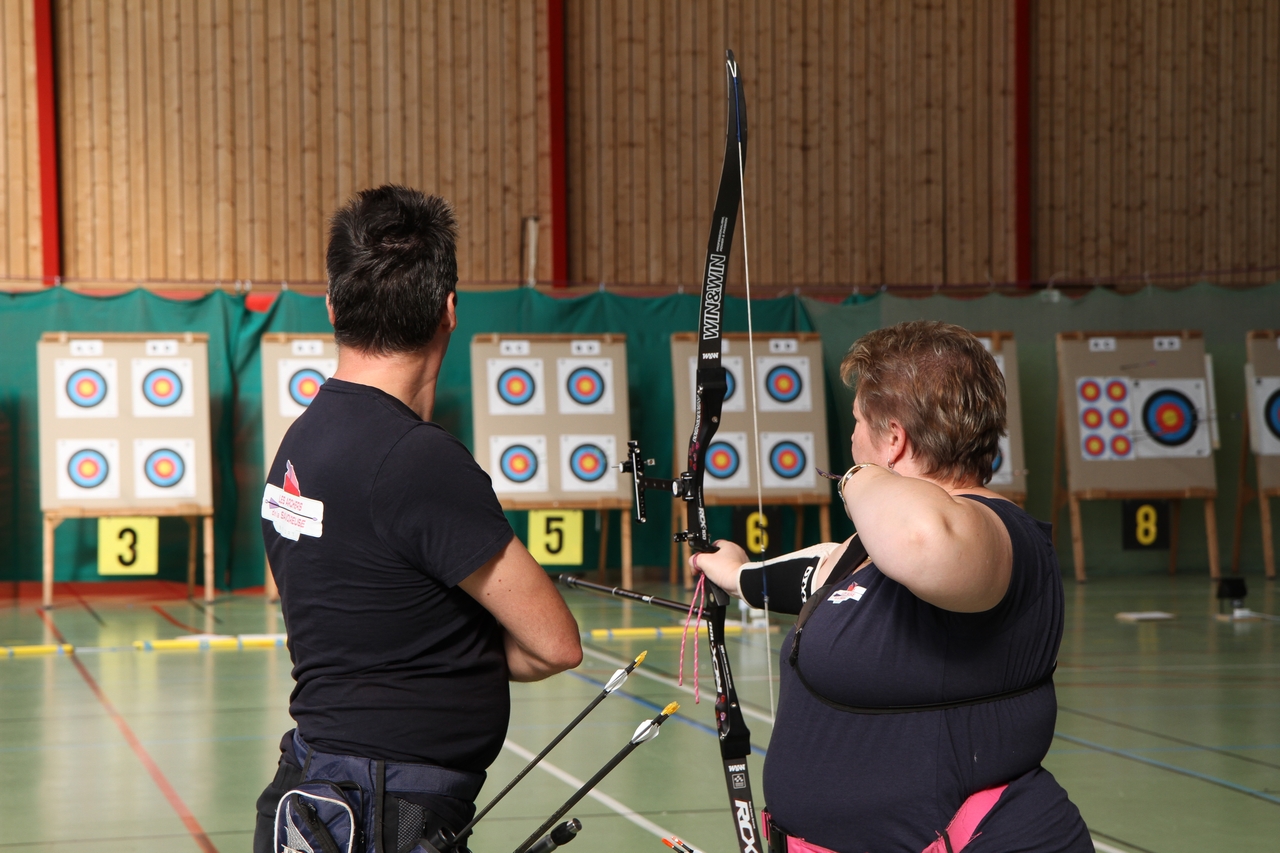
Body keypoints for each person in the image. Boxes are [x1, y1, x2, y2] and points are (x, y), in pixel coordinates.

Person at [254, 185, 582, 853]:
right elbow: (555, 643)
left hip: (325, 791)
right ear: (448, 310)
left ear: (332, 306)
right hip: (383, 810)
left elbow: (363, 618)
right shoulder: (418, 460)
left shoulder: (300, 442)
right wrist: (460, 659)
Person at [694, 321, 1091, 853]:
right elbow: (827, 575)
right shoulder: (883, 548)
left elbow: (921, 536)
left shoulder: (992, 534)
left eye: (860, 423)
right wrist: (737, 574)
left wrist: (858, 474)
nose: (852, 437)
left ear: (895, 438)